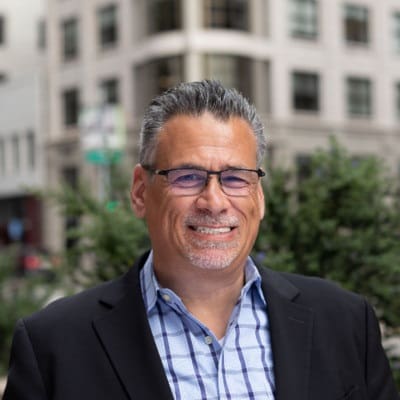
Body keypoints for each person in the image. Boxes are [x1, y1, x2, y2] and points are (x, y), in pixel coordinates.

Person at [3, 80, 399, 400]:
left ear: (258, 196)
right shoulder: (52, 346)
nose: (214, 201)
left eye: (235, 177)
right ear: (141, 192)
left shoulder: (346, 323)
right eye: (187, 176)